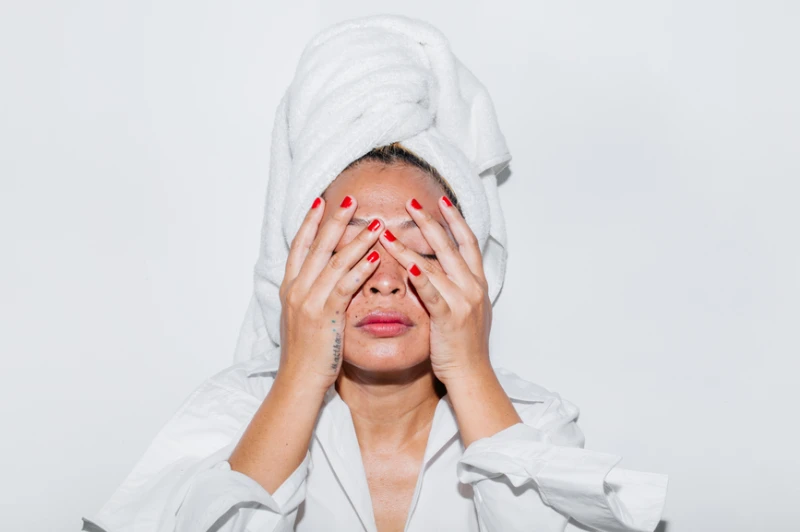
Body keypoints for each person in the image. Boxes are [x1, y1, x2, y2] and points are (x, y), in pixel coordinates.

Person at [82, 15, 667, 532]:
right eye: (349, 248)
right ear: (299, 270)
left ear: (471, 272)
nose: (386, 280)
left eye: (421, 248)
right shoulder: (230, 414)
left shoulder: (533, 423)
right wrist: (300, 374)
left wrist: (468, 369)